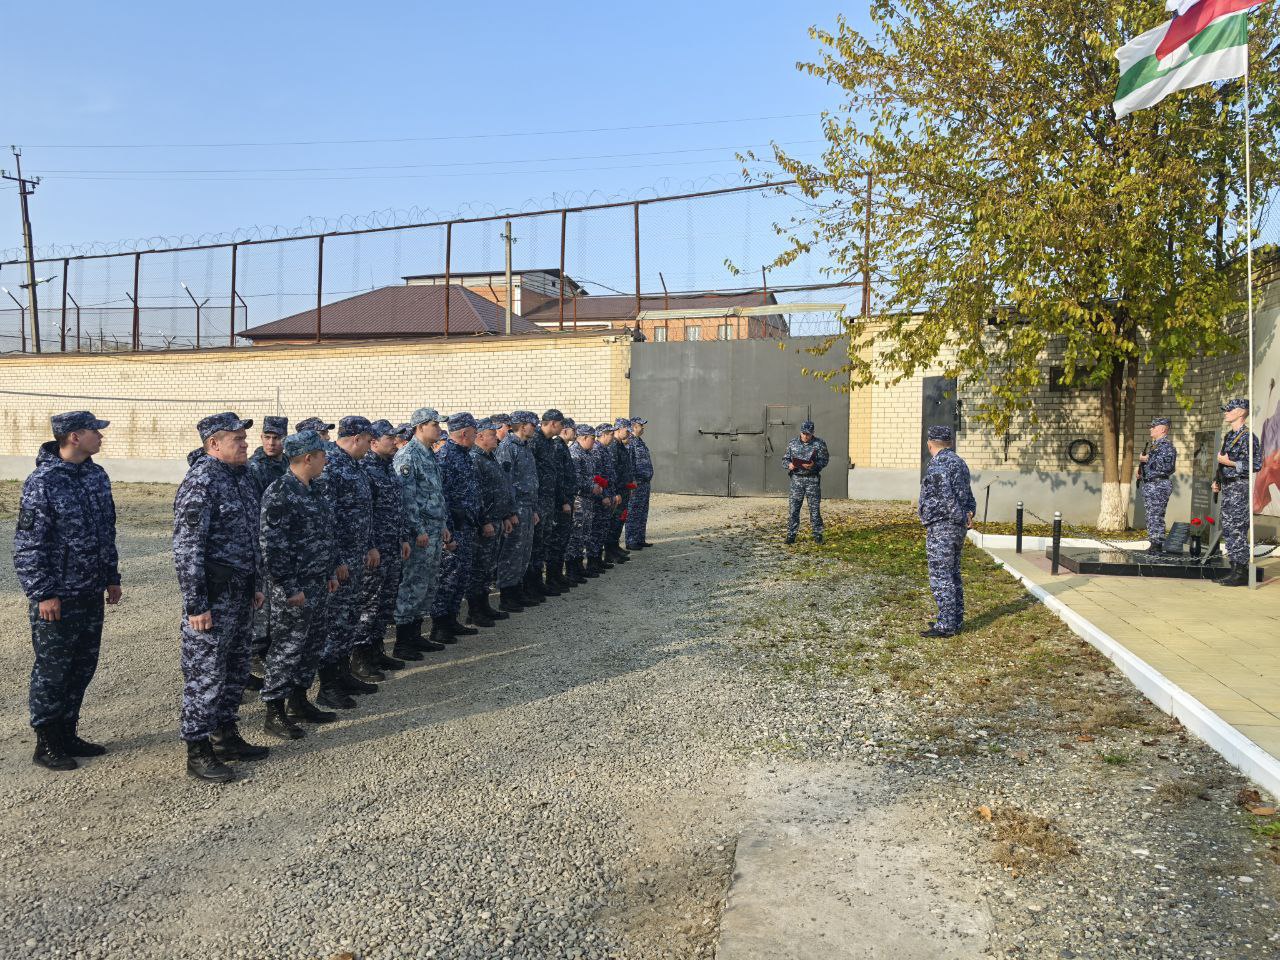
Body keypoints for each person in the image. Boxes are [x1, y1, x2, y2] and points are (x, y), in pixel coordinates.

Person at [14, 411, 122, 771]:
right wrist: (43, 592)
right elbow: (29, 545)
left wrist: (111, 576)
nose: (101, 436)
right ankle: (47, 741)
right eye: (95, 431)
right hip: (58, 596)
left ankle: (68, 732)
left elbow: (107, 530)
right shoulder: (42, 481)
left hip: (90, 591)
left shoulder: (95, 475)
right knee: (53, 669)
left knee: (82, 665)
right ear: (74, 436)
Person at [173, 412, 269, 783]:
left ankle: (226, 735)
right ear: (214, 444)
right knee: (205, 674)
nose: (246, 444)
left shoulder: (241, 479)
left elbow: (252, 537)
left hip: (241, 593)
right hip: (213, 600)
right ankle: (198, 750)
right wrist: (196, 604)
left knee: (236, 668)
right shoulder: (202, 482)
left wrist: (257, 585)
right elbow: (187, 549)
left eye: (245, 439)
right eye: (237, 440)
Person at [257, 430, 340, 740]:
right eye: (322, 455)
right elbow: (272, 547)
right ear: (308, 458)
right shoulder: (279, 492)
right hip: (294, 588)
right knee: (287, 648)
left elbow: (326, 536)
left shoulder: (315, 489)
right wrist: (290, 587)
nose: (326, 459)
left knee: (312, 644)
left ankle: (299, 700)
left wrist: (330, 571)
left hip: (318, 582)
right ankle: (274, 713)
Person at [313, 416, 379, 709]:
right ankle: (327, 685)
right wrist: (335, 560)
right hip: (341, 562)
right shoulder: (332, 467)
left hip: (355, 557)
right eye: (368, 440)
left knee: (349, 619)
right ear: (356, 438)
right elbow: (325, 520)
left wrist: (368, 546)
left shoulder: (354, 465)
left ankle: (342, 673)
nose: (370, 446)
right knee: (335, 622)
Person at [353, 420, 411, 680]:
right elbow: (366, 515)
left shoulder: (389, 469)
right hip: (375, 551)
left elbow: (397, 509)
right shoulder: (366, 469)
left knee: (384, 604)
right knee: (369, 605)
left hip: (392, 546)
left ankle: (376, 650)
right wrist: (371, 546)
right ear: (373, 442)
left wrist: (404, 537)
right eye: (390, 438)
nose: (395, 442)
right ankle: (360, 657)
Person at [393, 408, 450, 658]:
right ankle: (403, 641)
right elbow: (407, 498)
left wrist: (444, 524)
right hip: (421, 532)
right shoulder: (408, 455)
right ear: (420, 427)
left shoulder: (429, 453)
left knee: (427, 584)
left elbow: (434, 494)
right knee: (413, 584)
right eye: (434, 425)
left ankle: (416, 636)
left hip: (435, 528)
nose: (439, 429)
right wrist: (417, 529)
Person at [918, 425, 976, 638]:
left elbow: (945, 497)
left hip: (943, 526)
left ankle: (946, 625)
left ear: (930, 443)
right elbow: (968, 495)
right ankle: (954, 619)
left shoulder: (938, 465)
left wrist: (960, 516)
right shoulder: (959, 463)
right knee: (953, 573)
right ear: (950, 442)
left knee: (941, 576)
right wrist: (969, 513)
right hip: (957, 526)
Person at [246, 415, 289, 693]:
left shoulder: (287, 463)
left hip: (284, 538)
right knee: (262, 601)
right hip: (264, 539)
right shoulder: (254, 467)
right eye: (267, 437)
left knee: (278, 599)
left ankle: (268, 645)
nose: (271, 442)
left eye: (276, 438)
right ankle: (254, 651)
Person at [432, 413, 484, 640]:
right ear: (464, 433)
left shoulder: (464, 455)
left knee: (461, 576)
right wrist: (449, 530)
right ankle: (440, 625)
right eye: (474, 433)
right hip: (454, 527)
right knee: (448, 577)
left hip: (468, 525)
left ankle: (452, 619)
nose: (476, 437)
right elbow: (442, 497)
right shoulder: (445, 456)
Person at [467, 418, 517, 627]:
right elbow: (476, 495)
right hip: (484, 523)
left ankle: (484, 605)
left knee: (488, 567)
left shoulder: (490, 457)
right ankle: (475, 611)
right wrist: (485, 520)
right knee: (478, 568)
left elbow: (500, 490)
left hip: (497, 519)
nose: (496, 437)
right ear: (479, 437)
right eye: (491, 434)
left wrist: (505, 515)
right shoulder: (474, 459)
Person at [1213, 398, 1263, 587]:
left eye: (1229, 410)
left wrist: (1231, 463)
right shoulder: (1229, 436)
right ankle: (1234, 568)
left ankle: (1241, 572)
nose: (1226, 412)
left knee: (1238, 529)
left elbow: (1256, 464)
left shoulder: (1248, 437)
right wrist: (1217, 481)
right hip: (1228, 486)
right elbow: (1221, 462)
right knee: (1229, 528)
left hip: (1239, 487)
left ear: (1241, 412)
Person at [496, 411, 541, 611]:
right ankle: (507, 596)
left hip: (527, 507)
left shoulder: (525, 447)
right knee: (511, 553)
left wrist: (533, 508)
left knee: (523, 552)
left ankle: (518, 590)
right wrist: (509, 512)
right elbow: (505, 483)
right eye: (533, 424)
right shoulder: (508, 447)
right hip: (516, 508)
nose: (536, 428)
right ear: (523, 426)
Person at [528, 409, 566, 599]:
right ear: (552, 423)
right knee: (535, 545)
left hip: (548, 500)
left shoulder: (549, 443)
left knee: (543, 543)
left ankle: (539, 583)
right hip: (538, 500)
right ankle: (532, 585)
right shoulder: (534, 441)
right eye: (561, 424)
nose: (562, 427)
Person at [568, 425, 605, 579]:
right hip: (579, 500)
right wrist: (591, 487)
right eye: (592, 439)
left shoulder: (587, 453)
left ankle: (578, 566)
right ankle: (571, 568)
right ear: (583, 437)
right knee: (576, 534)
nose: (594, 442)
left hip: (588, 500)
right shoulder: (575, 453)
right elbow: (575, 479)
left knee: (584, 535)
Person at [784, 420, 830, 544]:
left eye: (808, 434)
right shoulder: (792, 443)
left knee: (814, 509)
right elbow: (785, 459)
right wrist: (789, 465)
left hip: (812, 480)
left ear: (813, 433)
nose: (805, 436)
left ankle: (818, 535)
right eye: (803, 433)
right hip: (797, 480)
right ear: (800, 432)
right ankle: (791, 535)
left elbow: (825, 460)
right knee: (794, 509)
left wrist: (814, 465)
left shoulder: (819, 444)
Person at [552, 419, 585, 586]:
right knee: (559, 540)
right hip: (562, 501)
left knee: (565, 538)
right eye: (574, 429)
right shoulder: (558, 447)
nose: (576, 433)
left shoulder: (563, 446)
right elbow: (558, 477)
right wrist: (564, 500)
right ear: (565, 430)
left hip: (568, 498)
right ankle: (556, 576)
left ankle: (559, 575)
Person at [1138, 417, 1177, 554]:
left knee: (1156, 515)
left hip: (1159, 484)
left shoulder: (1166, 446)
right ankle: (1154, 542)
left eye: (1153, 427)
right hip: (1151, 484)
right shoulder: (1155, 445)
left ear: (1162, 429)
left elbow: (1166, 466)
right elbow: (1153, 467)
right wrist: (1142, 472)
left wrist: (1146, 459)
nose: (1151, 429)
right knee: (1151, 515)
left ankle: (1157, 545)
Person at [593, 423, 622, 570]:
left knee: (604, 528)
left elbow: (610, 475)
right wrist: (604, 495)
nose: (612, 436)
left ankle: (600, 558)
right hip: (601, 498)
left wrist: (614, 493)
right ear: (603, 434)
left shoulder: (604, 450)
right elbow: (597, 477)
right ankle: (595, 560)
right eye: (610, 434)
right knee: (598, 530)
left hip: (609, 494)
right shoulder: (597, 450)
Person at [608, 418, 636, 563]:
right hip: (618, 491)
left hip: (624, 490)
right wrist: (616, 491)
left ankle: (615, 546)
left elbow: (625, 469)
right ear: (619, 429)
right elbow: (613, 472)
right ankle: (610, 551)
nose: (629, 432)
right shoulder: (613, 446)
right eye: (627, 429)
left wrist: (629, 487)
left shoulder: (620, 446)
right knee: (614, 520)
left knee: (620, 520)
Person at [625, 417, 654, 550]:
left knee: (642, 511)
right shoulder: (630, 442)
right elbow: (629, 463)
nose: (643, 428)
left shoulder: (639, 441)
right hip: (637, 483)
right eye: (641, 425)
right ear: (634, 427)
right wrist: (632, 481)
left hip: (645, 483)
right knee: (634, 512)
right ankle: (631, 541)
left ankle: (639, 538)